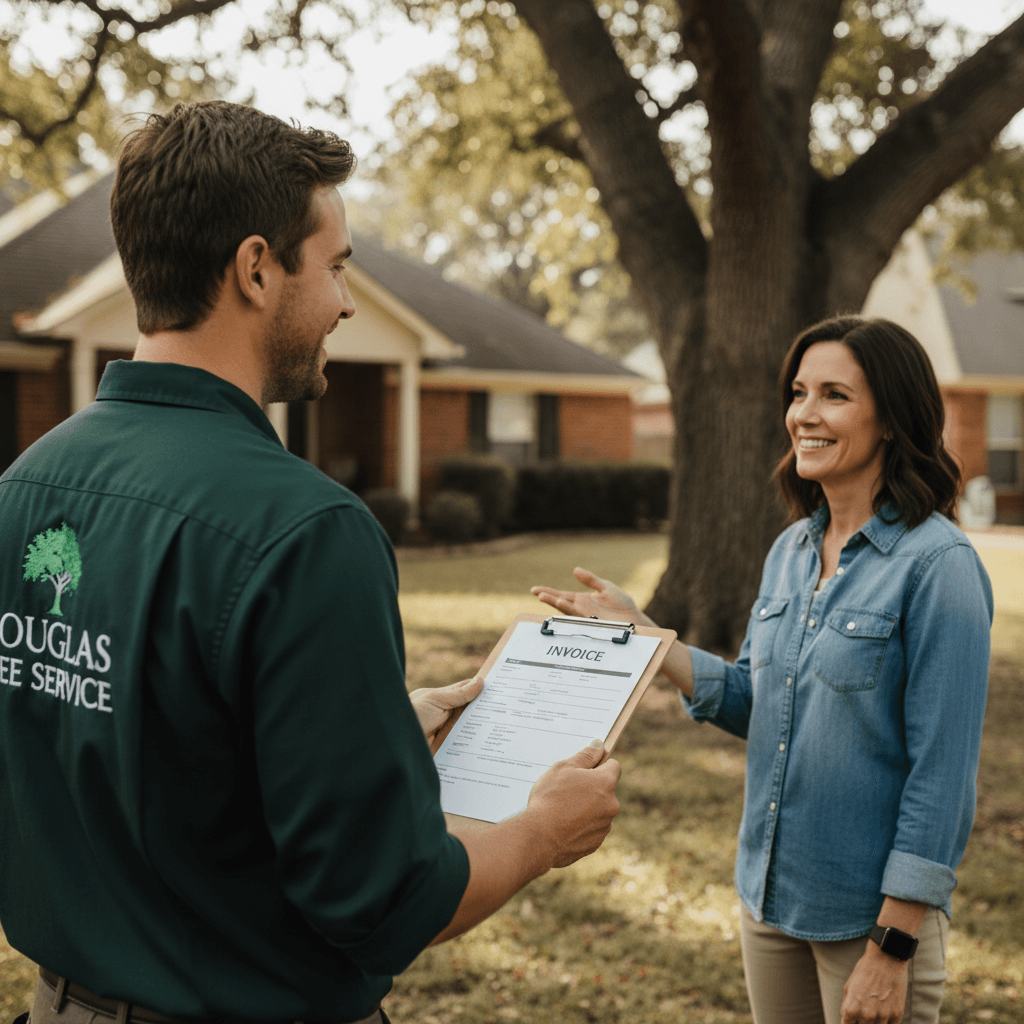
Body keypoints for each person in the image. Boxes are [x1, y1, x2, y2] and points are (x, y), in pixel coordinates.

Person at [0, 100, 622, 1024]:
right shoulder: (304, 530)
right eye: (333, 267)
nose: (344, 302)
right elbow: (383, 902)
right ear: (257, 268)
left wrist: (370, 738)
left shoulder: (22, 488)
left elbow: (136, 755)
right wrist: (542, 832)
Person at [532, 316, 992, 1024]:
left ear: (893, 420)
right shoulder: (791, 552)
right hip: (771, 902)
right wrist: (647, 638)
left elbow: (943, 776)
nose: (804, 413)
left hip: (868, 923)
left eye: (834, 395)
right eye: (799, 391)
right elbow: (759, 703)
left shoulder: (938, 566)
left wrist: (892, 947)